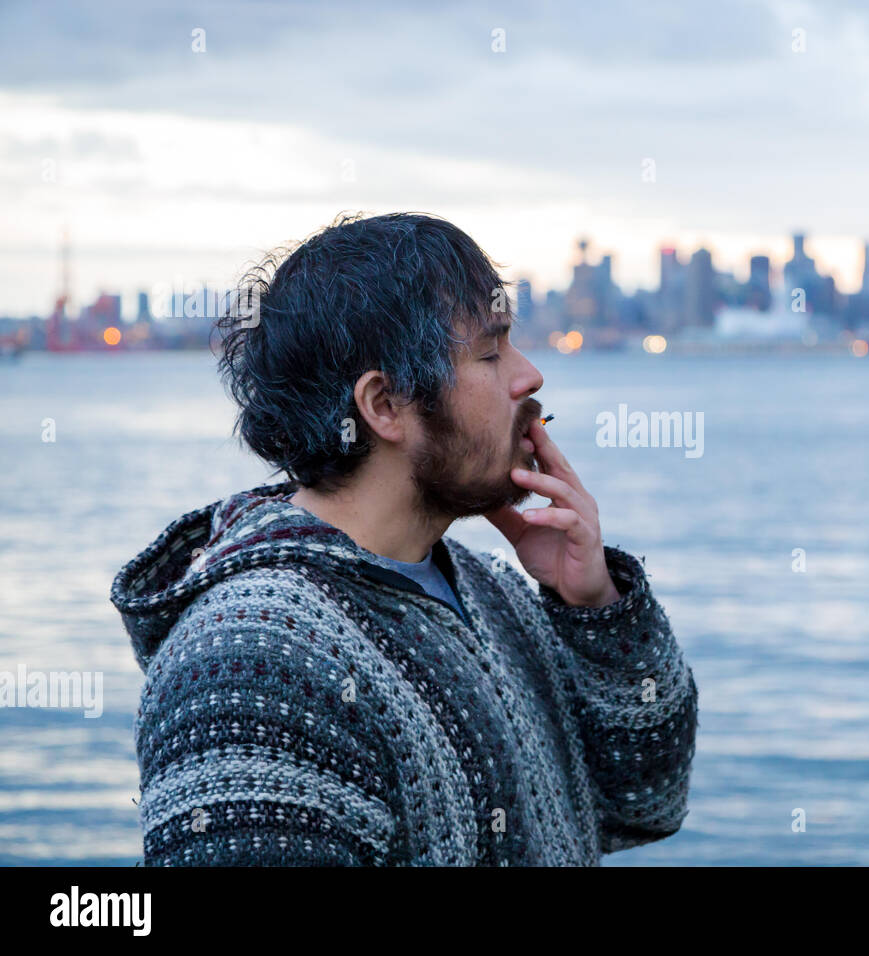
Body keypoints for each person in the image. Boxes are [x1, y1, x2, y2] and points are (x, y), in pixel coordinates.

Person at [110, 212, 699, 866]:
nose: (529, 376)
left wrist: (595, 609)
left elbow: (645, 804)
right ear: (384, 405)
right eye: (491, 352)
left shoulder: (488, 591)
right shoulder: (249, 663)